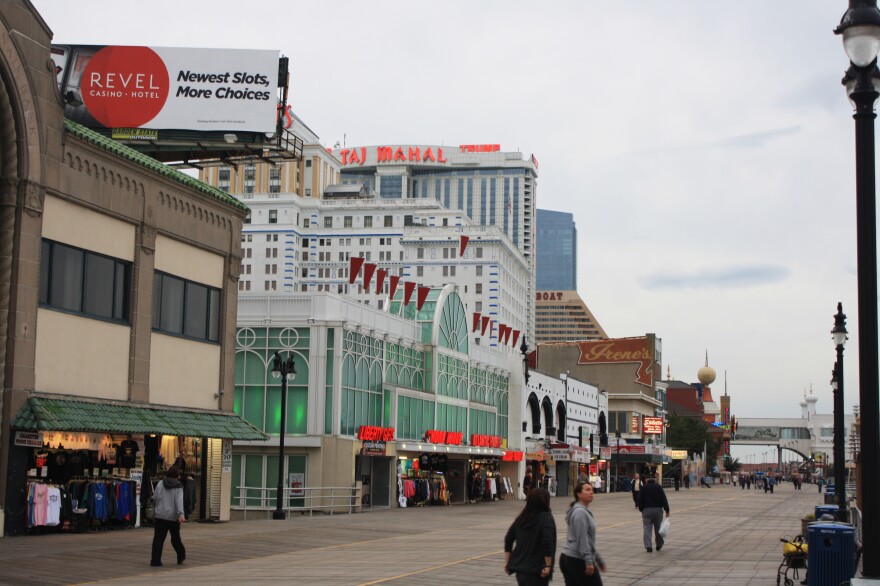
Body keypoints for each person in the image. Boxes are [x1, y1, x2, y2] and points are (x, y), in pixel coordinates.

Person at [504, 488, 556, 585]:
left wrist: (508, 562)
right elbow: (547, 542)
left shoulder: (522, 518)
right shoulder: (546, 518)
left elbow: (508, 539)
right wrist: (548, 565)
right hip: (537, 570)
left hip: (521, 570)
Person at [560, 481, 605, 585]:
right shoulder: (580, 513)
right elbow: (582, 539)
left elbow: (588, 541)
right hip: (577, 559)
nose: (591, 492)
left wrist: (598, 559)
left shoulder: (581, 511)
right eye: (587, 490)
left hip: (570, 557)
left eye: (592, 490)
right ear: (579, 494)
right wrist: (589, 562)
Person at [150, 466, 186, 567]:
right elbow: (179, 502)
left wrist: (155, 510)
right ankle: (181, 556)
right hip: (173, 517)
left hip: (160, 516)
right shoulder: (178, 486)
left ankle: (155, 561)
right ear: (177, 476)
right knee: (175, 539)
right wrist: (181, 515)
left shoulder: (160, 483)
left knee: (158, 539)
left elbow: (155, 498)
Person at [638, 476, 670, 553]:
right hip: (657, 510)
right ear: (654, 480)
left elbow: (639, 499)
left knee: (647, 528)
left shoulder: (644, 487)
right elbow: (663, 498)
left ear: (647, 480)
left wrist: (641, 509)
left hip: (646, 510)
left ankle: (648, 546)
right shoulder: (658, 487)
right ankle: (659, 544)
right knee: (658, 528)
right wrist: (667, 509)